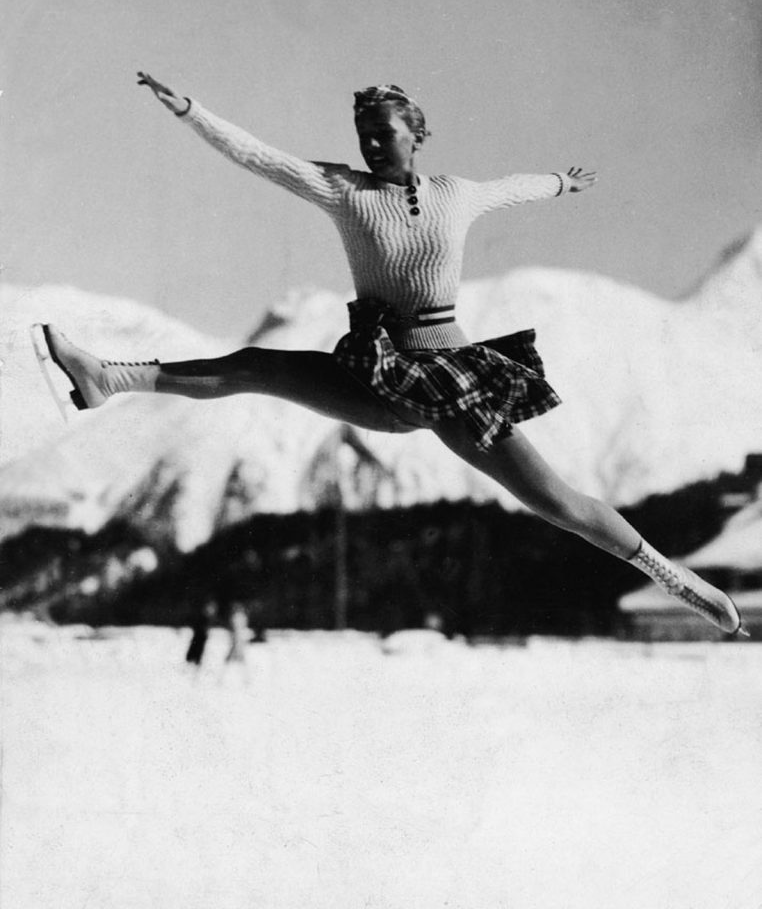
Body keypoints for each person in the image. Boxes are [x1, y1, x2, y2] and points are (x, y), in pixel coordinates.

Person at [34, 72, 747, 638]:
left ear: (417, 135)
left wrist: (560, 183)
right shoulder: (344, 191)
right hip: (375, 374)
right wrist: (189, 110)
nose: (372, 145)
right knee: (259, 364)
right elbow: (261, 158)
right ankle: (107, 377)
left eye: (384, 134)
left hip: (456, 379)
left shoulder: (455, 195)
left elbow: (515, 188)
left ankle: (682, 583)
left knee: (557, 500)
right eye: (363, 135)